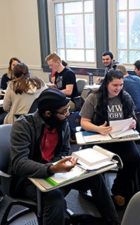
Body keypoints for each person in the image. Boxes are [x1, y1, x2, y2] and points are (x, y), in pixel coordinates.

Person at [9, 88, 119, 225]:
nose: (68, 115)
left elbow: (64, 151)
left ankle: (112, 221)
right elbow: (19, 163)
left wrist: (65, 163)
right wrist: (52, 168)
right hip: (28, 180)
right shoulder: (23, 126)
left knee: (94, 176)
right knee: (55, 197)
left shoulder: (61, 123)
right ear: (48, 113)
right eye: (63, 112)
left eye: (68, 110)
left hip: (56, 172)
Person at [80, 69, 140, 207]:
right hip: (99, 139)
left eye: (121, 85)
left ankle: (119, 189)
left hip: (120, 138)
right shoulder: (94, 97)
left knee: (134, 158)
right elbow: (84, 121)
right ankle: (99, 192)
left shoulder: (125, 97)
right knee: (95, 163)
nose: (118, 88)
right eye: (114, 85)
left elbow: (133, 117)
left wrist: (133, 123)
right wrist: (98, 128)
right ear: (107, 83)